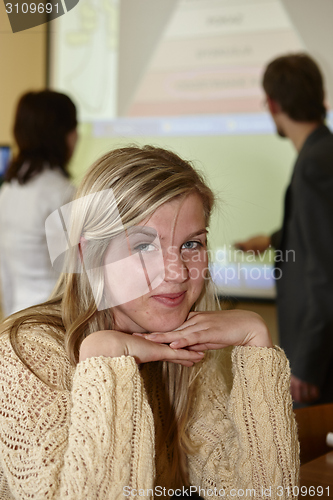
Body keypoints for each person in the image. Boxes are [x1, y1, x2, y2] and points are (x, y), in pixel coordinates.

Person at [0, 146, 299, 499]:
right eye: (143, 246)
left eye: (191, 244)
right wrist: (107, 360)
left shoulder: (185, 349)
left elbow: (261, 495)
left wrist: (257, 340)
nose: (176, 272)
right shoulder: (25, 354)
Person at [236, 53, 333, 406]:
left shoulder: (314, 165)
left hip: (320, 362)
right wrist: (274, 240)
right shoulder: (324, 152)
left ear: (273, 103)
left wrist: (307, 362)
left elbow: (326, 272)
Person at [0, 90, 77, 317]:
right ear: (62, 134)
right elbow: (77, 276)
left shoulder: (8, 189)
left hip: (15, 317)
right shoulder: (61, 193)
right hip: (52, 319)